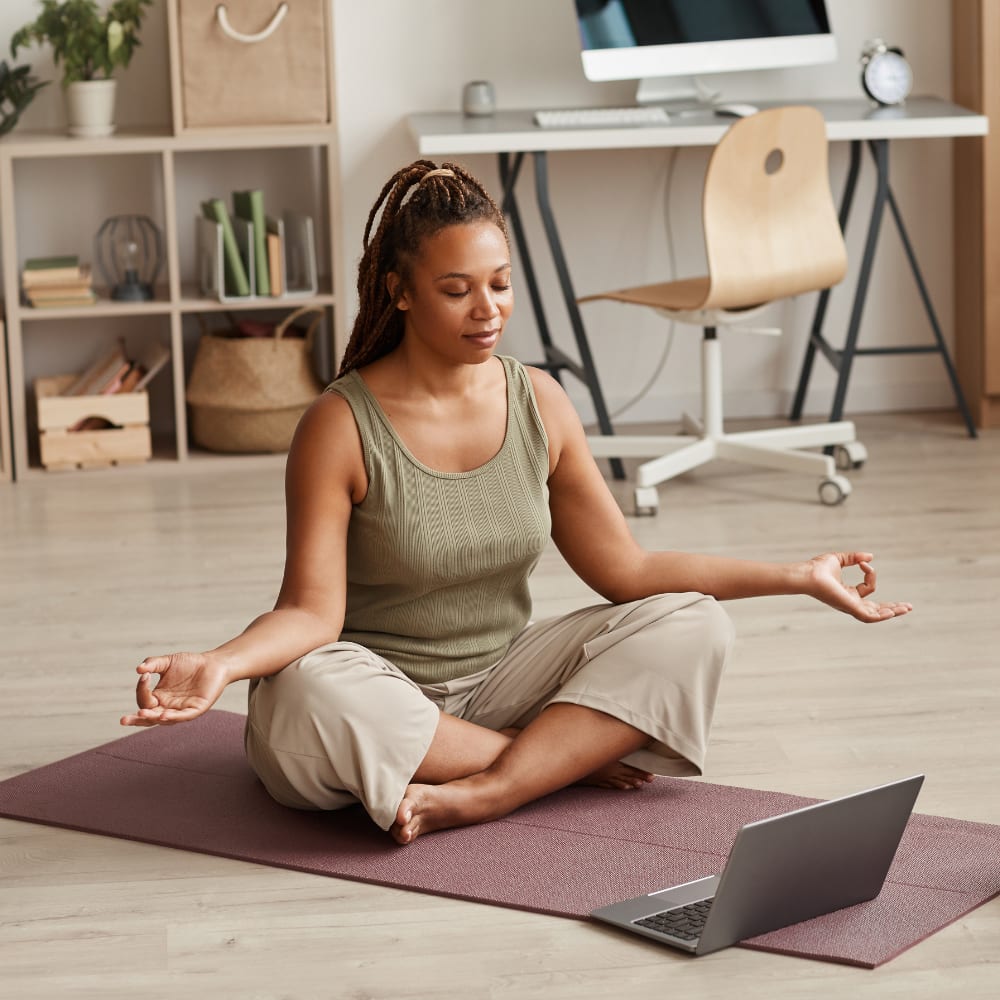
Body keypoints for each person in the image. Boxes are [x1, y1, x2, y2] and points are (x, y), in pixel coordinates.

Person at [121, 159, 912, 845]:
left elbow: (628, 570)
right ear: (398, 292)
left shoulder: (540, 401)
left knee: (694, 619)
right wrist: (221, 664)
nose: (487, 309)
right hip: (376, 686)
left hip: (502, 673)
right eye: (457, 290)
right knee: (302, 694)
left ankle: (492, 789)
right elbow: (311, 616)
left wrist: (797, 576)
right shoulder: (339, 424)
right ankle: (549, 759)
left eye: (500, 286)